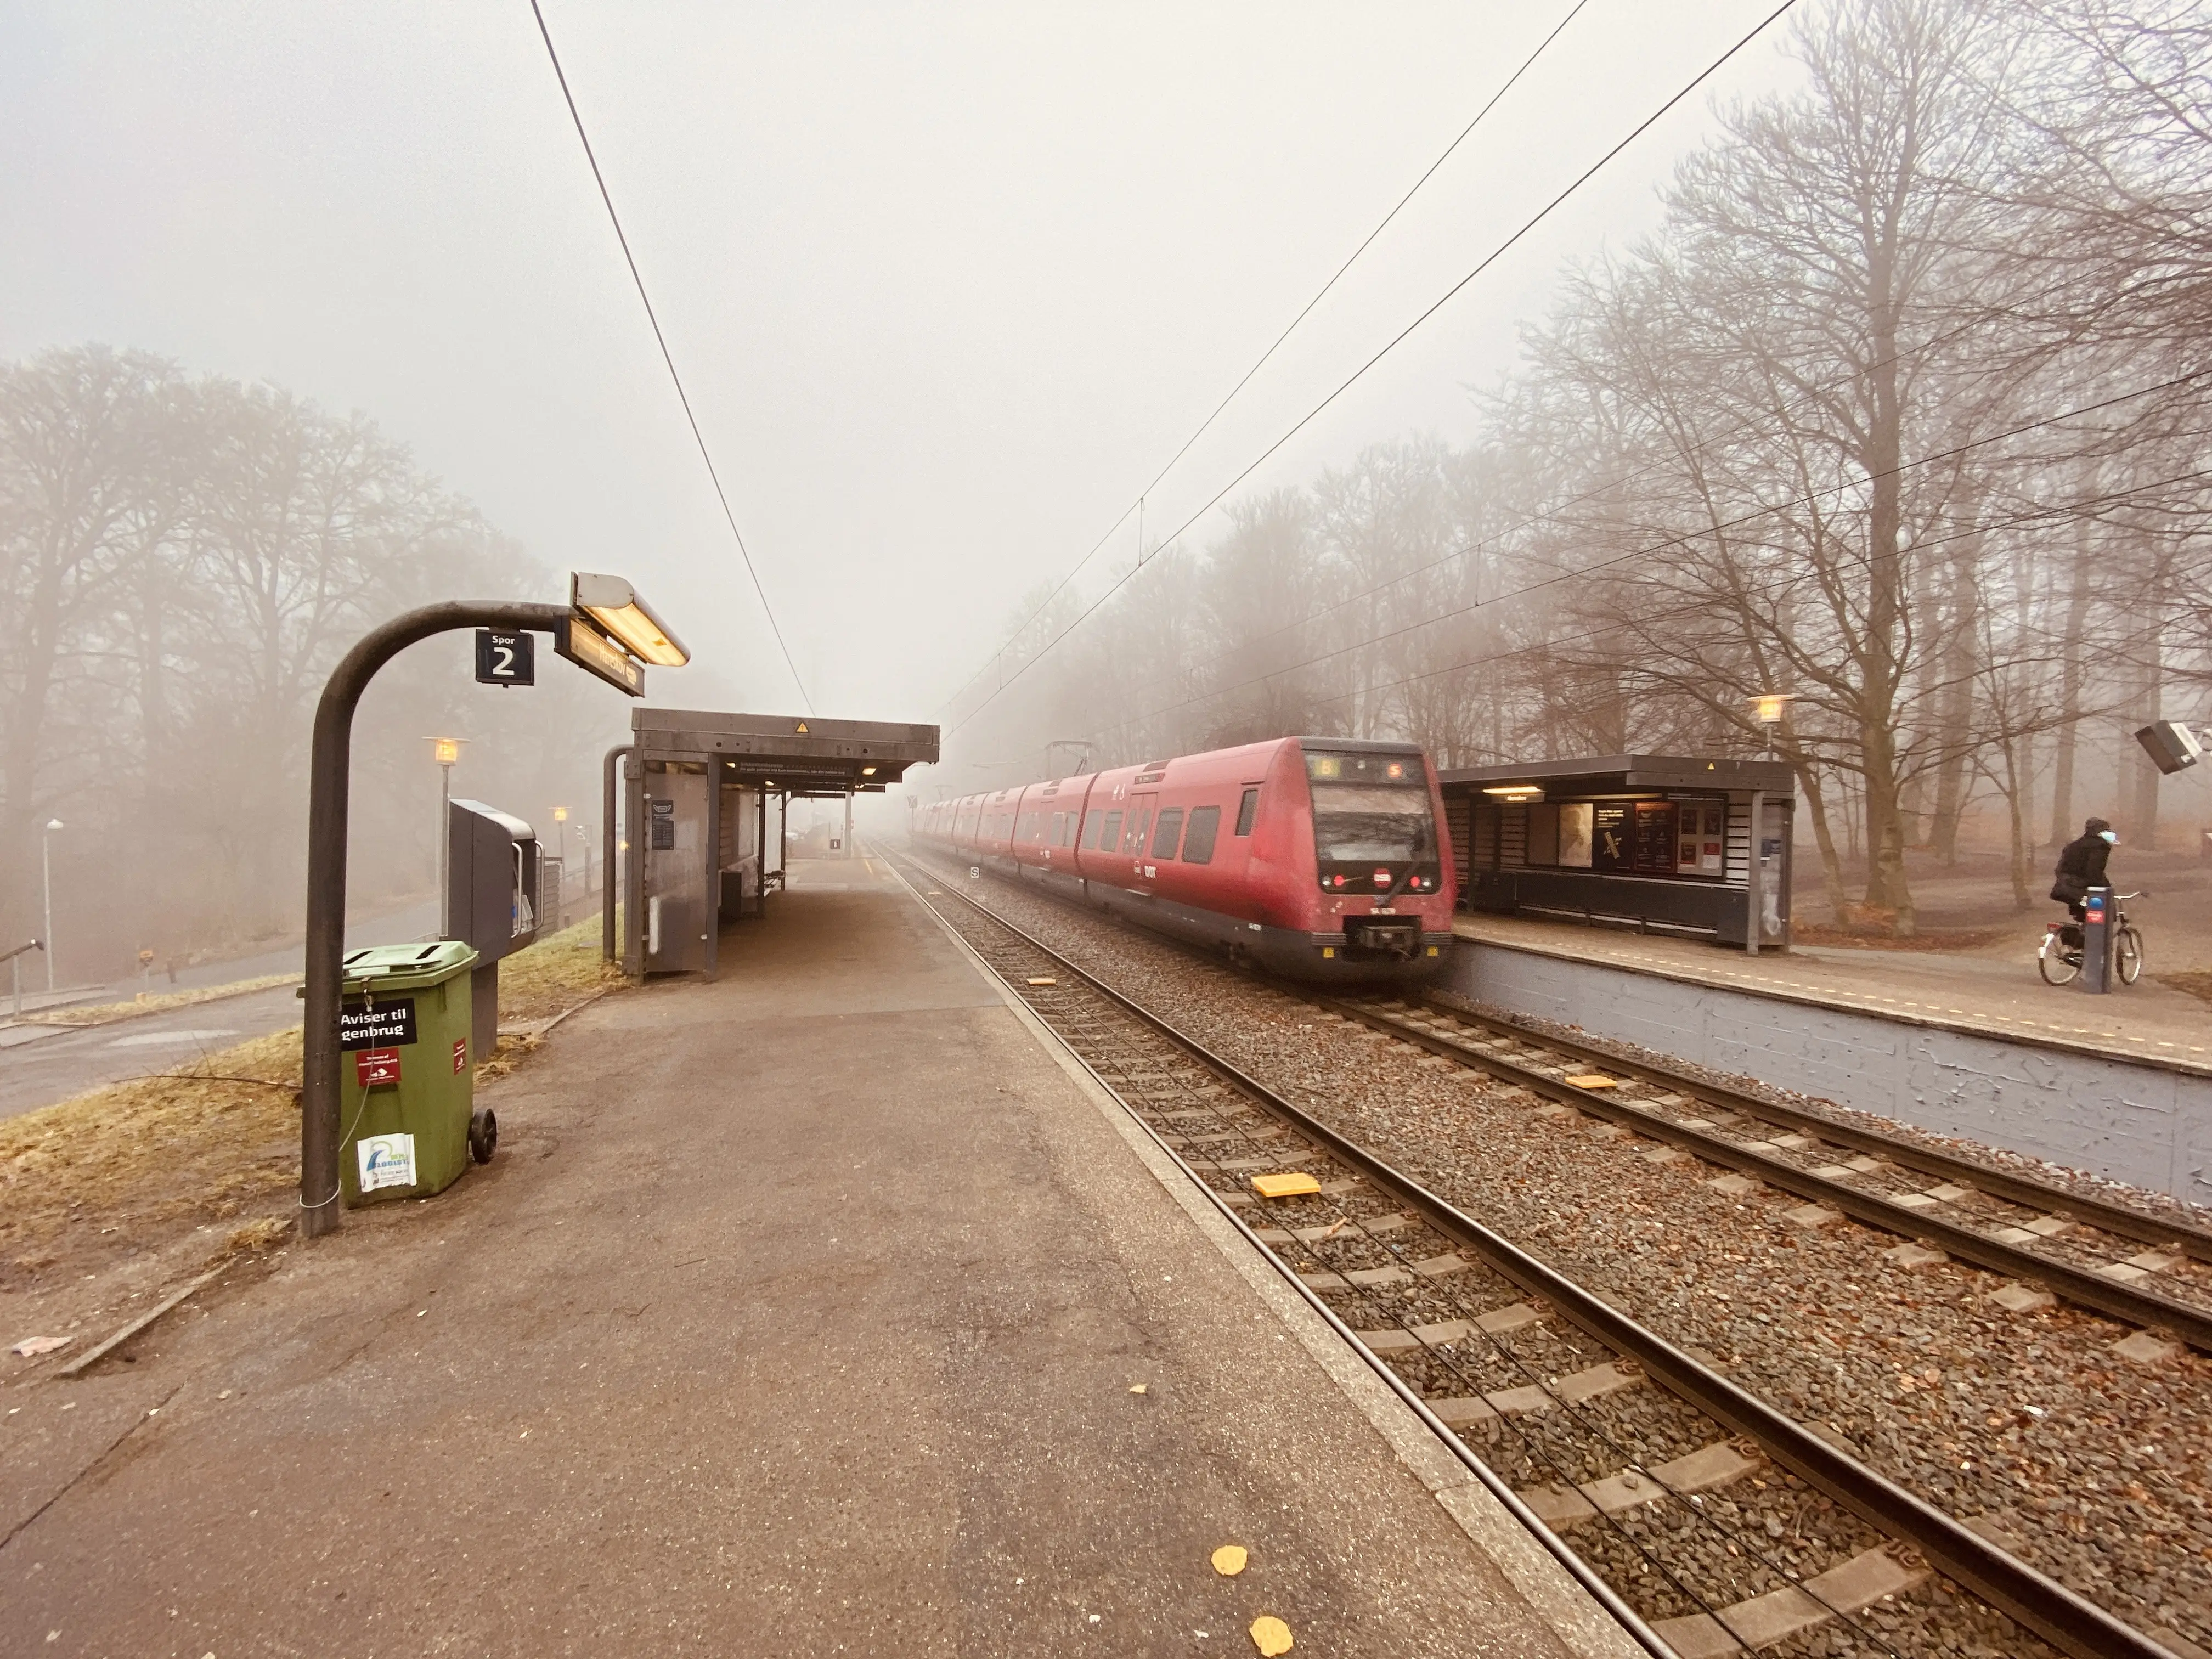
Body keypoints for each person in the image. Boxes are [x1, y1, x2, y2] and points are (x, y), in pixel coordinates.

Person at [2050, 816, 2118, 946]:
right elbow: (2094, 872)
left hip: (2068, 890)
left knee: (2084, 918)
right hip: (2085, 889)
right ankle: (2093, 950)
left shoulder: (2073, 846)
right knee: (2106, 915)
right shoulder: (2100, 846)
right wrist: (2102, 889)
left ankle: (2080, 947)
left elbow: (2060, 869)